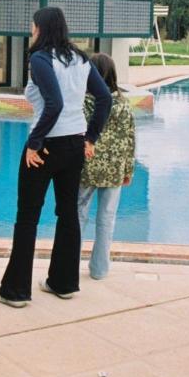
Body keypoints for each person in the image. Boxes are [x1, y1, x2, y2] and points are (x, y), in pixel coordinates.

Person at [0, 7, 112, 307]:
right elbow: (105, 98)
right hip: (73, 145)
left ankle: (16, 291)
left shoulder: (40, 59)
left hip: (46, 146)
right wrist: (90, 137)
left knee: (27, 216)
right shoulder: (81, 60)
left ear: (42, 29)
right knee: (68, 213)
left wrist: (34, 143)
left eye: (33, 27)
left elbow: (54, 104)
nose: (31, 32)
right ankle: (63, 283)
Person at [77, 53, 136, 280]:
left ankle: (70, 264)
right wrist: (128, 170)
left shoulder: (83, 102)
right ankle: (99, 270)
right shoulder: (123, 104)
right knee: (106, 220)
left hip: (87, 167)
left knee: (78, 216)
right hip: (114, 171)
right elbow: (130, 139)